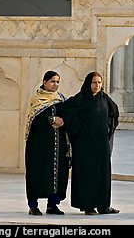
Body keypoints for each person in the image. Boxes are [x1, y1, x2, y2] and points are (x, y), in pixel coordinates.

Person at [59, 71, 120, 215]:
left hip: (101, 144)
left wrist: (108, 129)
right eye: (94, 82)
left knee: (102, 174)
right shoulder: (80, 99)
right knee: (87, 174)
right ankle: (88, 206)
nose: (97, 85)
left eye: (99, 82)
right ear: (88, 83)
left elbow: (114, 114)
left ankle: (103, 206)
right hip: (84, 144)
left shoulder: (104, 98)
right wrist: (78, 129)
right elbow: (66, 111)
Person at [24, 70, 70, 216]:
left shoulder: (61, 99)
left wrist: (64, 121)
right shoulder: (36, 99)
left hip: (58, 144)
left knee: (56, 173)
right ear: (44, 82)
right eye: (52, 81)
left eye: (57, 82)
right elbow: (33, 122)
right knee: (37, 173)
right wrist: (51, 120)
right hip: (39, 145)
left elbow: (70, 115)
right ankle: (33, 206)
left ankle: (52, 205)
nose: (55, 84)